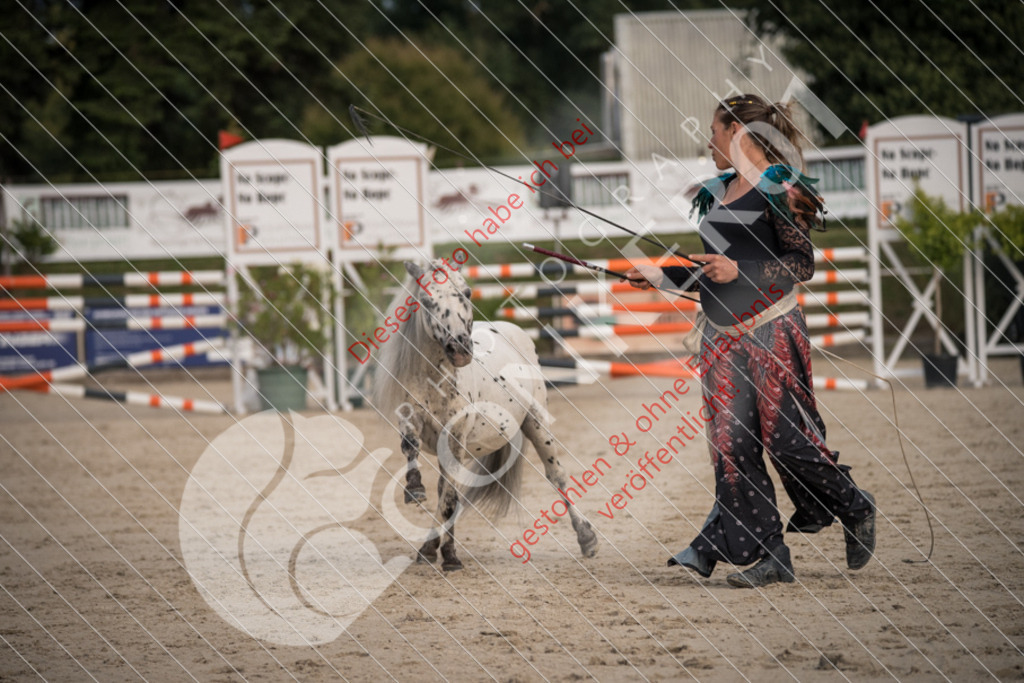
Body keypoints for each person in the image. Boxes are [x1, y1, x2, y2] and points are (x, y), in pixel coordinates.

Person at [623, 94, 876, 588]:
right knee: (732, 447)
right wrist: (663, 275)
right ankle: (770, 554)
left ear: (738, 132)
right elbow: (714, 275)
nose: (710, 141)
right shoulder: (716, 192)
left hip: (772, 331)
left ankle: (854, 504)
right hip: (720, 338)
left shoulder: (780, 189)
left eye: (715, 131)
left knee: (787, 442)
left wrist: (744, 269)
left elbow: (801, 264)